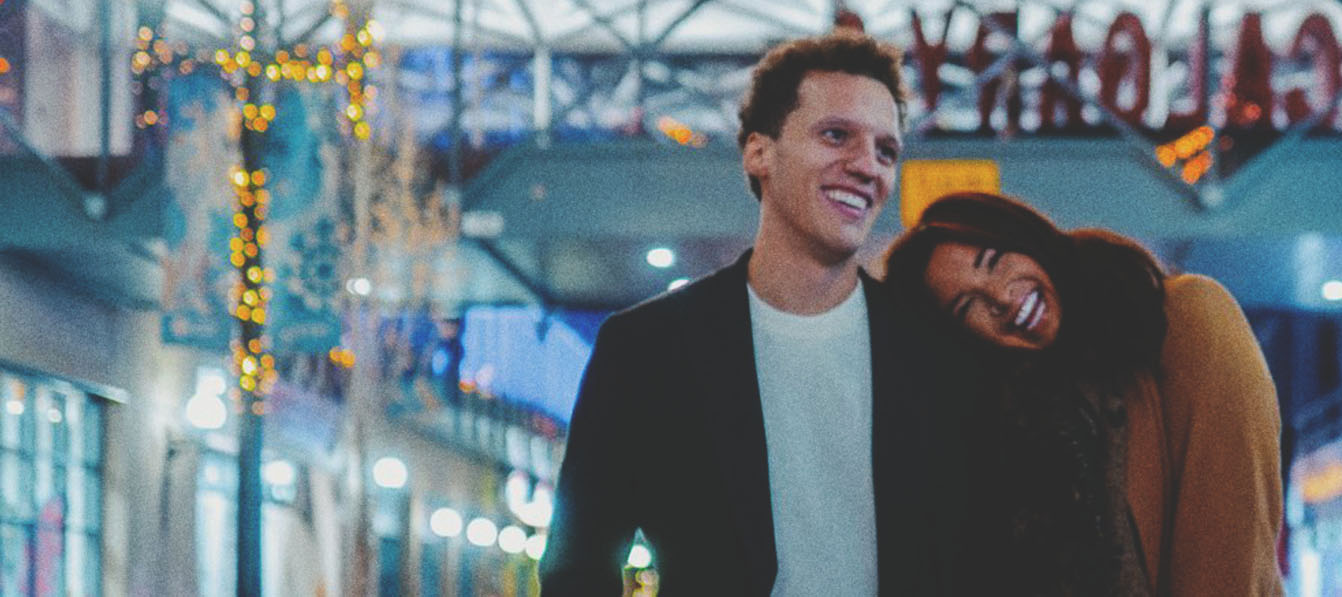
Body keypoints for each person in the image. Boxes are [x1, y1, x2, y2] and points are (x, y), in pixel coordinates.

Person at [539, 32, 976, 595]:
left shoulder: (933, 350)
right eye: (836, 135)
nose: (867, 166)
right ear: (759, 152)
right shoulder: (648, 348)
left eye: (885, 150)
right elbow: (578, 566)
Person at [885, 191, 1285, 596]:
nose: (1002, 298)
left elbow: (1234, 543)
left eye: (995, 260)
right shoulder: (1011, 424)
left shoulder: (1187, 319)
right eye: (967, 305)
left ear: (1028, 240)